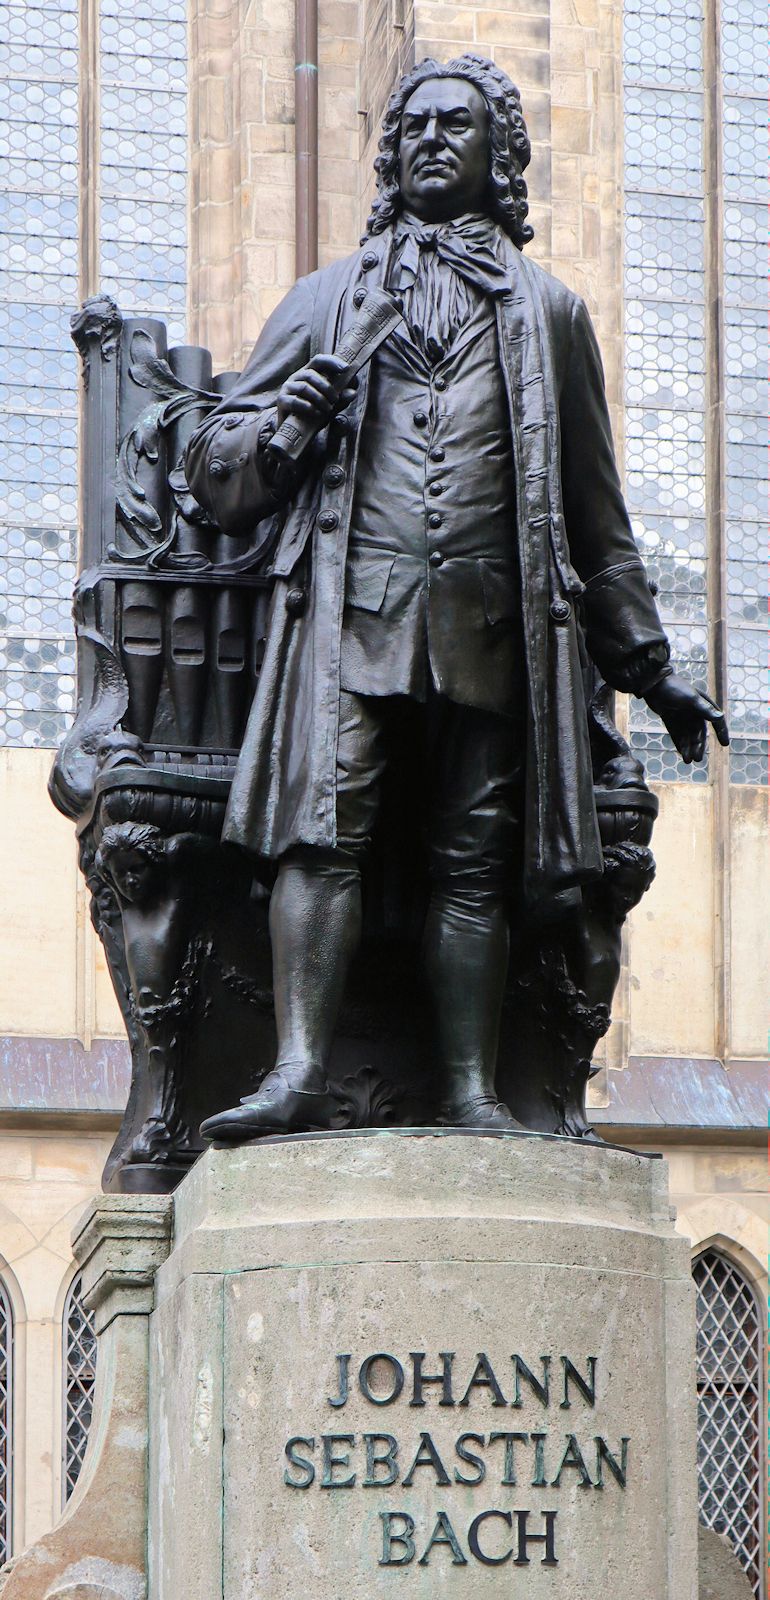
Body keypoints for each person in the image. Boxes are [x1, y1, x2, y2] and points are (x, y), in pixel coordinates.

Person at [186, 53, 727, 1140]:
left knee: (472, 856)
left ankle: (474, 1090)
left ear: (498, 158)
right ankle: (296, 1069)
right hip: (349, 615)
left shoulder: (549, 313)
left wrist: (649, 666)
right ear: (391, 155)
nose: (432, 138)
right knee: (319, 831)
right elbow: (213, 467)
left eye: (457, 126)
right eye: (415, 125)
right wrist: (288, 423)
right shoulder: (325, 297)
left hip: (490, 626)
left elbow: (596, 513)